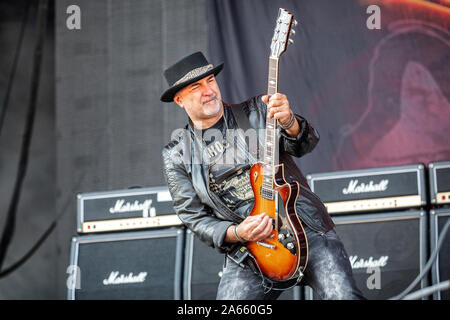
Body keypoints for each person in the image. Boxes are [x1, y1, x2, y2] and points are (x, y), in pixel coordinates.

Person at [161, 51, 365, 300]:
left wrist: (290, 122)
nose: (208, 90)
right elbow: (192, 215)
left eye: (210, 81)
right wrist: (237, 233)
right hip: (251, 250)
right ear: (180, 100)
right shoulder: (177, 154)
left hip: (304, 227)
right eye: (196, 86)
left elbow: (305, 145)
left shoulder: (257, 111)